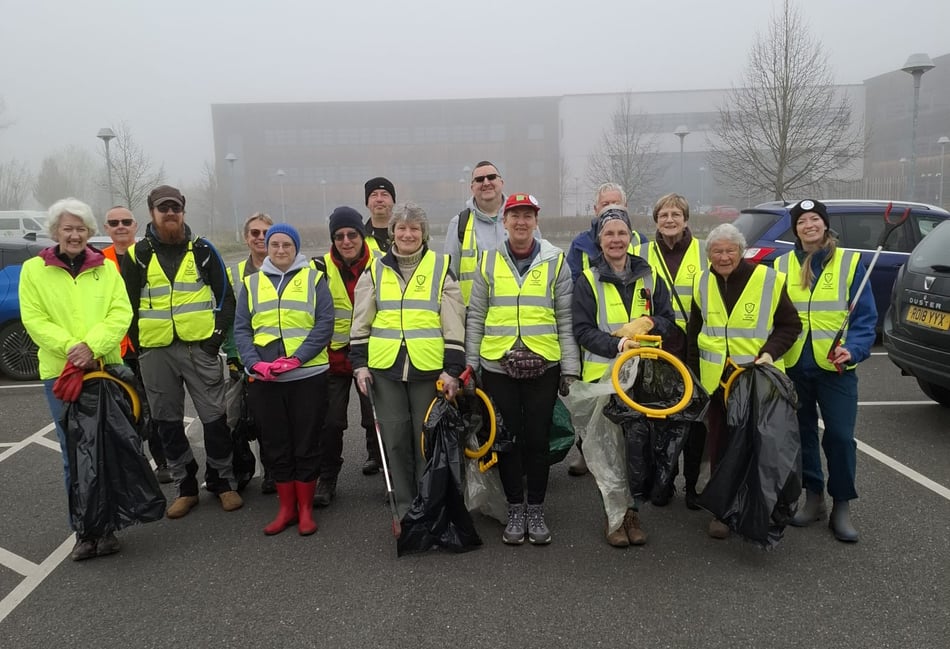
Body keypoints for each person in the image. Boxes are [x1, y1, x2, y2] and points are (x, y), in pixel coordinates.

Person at [19, 198, 133, 561]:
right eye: (67, 228)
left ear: (89, 231)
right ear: (55, 232)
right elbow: (34, 320)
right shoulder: (33, 271)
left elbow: (121, 312)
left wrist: (93, 346)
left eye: (81, 228)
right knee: (73, 454)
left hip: (103, 368)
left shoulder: (105, 268)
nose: (74, 235)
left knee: (107, 449)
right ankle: (85, 531)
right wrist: (73, 347)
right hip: (62, 373)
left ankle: (110, 527)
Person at [466, 193, 580, 545]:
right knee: (507, 439)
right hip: (497, 365)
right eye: (514, 215)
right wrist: (470, 366)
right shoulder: (488, 262)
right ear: (505, 221)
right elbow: (476, 318)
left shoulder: (555, 261)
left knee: (537, 440)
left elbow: (565, 317)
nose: (520, 222)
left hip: (543, 364)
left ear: (535, 220)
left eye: (527, 215)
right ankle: (515, 507)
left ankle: (536, 509)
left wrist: (569, 367)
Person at [121, 185, 240, 519]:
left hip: (198, 348)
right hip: (156, 351)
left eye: (175, 208)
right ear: (152, 213)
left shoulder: (202, 250)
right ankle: (185, 487)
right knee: (167, 423)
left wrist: (214, 341)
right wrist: (141, 344)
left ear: (183, 211)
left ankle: (222, 482)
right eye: (163, 209)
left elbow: (225, 298)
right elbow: (125, 305)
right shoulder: (137, 254)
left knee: (215, 419)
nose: (170, 213)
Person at [686, 223, 802, 539]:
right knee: (721, 446)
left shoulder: (768, 280)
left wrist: (768, 352)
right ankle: (722, 512)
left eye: (730, 250)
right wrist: (692, 376)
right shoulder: (702, 282)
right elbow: (695, 333)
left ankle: (758, 508)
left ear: (741, 251)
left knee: (757, 446)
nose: (723, 257)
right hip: (717, 383)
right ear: (708, 254)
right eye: (717, 251)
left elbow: (790, 326)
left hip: (756, 381)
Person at [350, 202, 465, 519]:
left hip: (428, 371)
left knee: (425, 441)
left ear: (424, 233)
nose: (408, 234)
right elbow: (361, 321)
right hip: (384, 371)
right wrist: (359, 364)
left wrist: (452, 370)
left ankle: (429, 505)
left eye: (414, 228)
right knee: (396, 441)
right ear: (393, 233)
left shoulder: (442, 267)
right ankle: (405, 508)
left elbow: (454, 322)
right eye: (401, 228)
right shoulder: (375, 269)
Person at [572, 206, 676, 546]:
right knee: (608, 451)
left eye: (621, 233)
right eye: (608, 234)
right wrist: (619, 344)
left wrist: (647, 324)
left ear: (630, 237)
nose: (616, 240)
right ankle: (614, 518)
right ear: (599, 240)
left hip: (644, 376)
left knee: (636, 449)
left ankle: (632, 513)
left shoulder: (650, 277)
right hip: (605, 377)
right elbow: (583, 330)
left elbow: (667, 319)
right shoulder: (588, 280)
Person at [774, 199, 876, 543]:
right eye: (802, 221)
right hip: (793, 364)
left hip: (836, 366)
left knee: (841, 437)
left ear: (824, 224)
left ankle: (842, 504)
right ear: (796, 228)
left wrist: (856, 349)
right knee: (802, 435)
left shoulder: (849, 262)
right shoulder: (781, 264)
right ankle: (813, 496)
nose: (809, 225)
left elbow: (865, 318)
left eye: (815, 219)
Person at [234, 223, 334, 536]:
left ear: (296, 248)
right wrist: (253, 363)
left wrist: (297, 358)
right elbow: (241, 329)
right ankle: (286, 508)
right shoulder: (251, 284)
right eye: (274, 244)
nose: (280, 250)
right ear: (267, 247)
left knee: (306, 442)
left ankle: (305, 510)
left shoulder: (314, 279)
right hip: (266, 380)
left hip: (307, 376)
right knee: (276, 445)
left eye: (287, 245)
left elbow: (324, 324)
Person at [633, 193, 708, 509]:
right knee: (659, 419)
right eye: (663, 215)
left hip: (694, 348)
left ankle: (693, 486)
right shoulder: (640, 252)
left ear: (686, 219)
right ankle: (664, 480)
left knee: (694, 422)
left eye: (676, 214)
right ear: (656, 221)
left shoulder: (704, 251)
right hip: (655, 348)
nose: (669, 220)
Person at [310, 206, 379, 505]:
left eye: (352, 234)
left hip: (372, 357)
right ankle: (327, 478)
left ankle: (382, 466)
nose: (346, 241)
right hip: (333, 359)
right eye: (339, 236)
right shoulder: (318, 269)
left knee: (375, 419)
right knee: (331, 422)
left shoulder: (379, 266)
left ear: (362, 236)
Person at [101, 206, 172, 485]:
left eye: (126, 222)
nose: (120, 226)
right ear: (106, 228)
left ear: (135, 226)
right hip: (114, 349)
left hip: (146, 342)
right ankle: (133, 464)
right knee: (122, 409)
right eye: (113, 222)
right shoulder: (99, 262)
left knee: (155, 406)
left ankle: (163, 461)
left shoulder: (147, 255)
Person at [223, 212, 275, 494]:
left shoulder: (283, 269)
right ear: (246, 238)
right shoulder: (233, 275)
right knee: (235, 418)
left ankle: (271, 472)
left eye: (266, 232)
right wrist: (233, 355)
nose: (261, 237)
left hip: (271, 357)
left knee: (269, 419)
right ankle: (242, 469)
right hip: (242, 355)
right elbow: (230, 318)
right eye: (255, 232)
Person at [444, 161, 521, 306]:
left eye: (491, 177)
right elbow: (449, 278)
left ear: (501, 182)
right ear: (472, 187)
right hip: (475, 317)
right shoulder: (459, 223)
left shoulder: (522, 220)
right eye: (479, 180)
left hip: (516, 314)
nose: (486, 182)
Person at [565, 183, 647, 283]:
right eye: (605, 204)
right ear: (596, 209)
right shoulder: (580, 245)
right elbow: (572, 284)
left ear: (625, 207)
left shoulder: (640, 241)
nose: (611, 208)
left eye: (616, 204)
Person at [363, 176, 395, 256]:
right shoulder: (358, 237)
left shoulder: (406, 234)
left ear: (393, 201)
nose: (379, 199)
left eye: (384, 195)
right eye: (374, 195)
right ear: (367, 203)